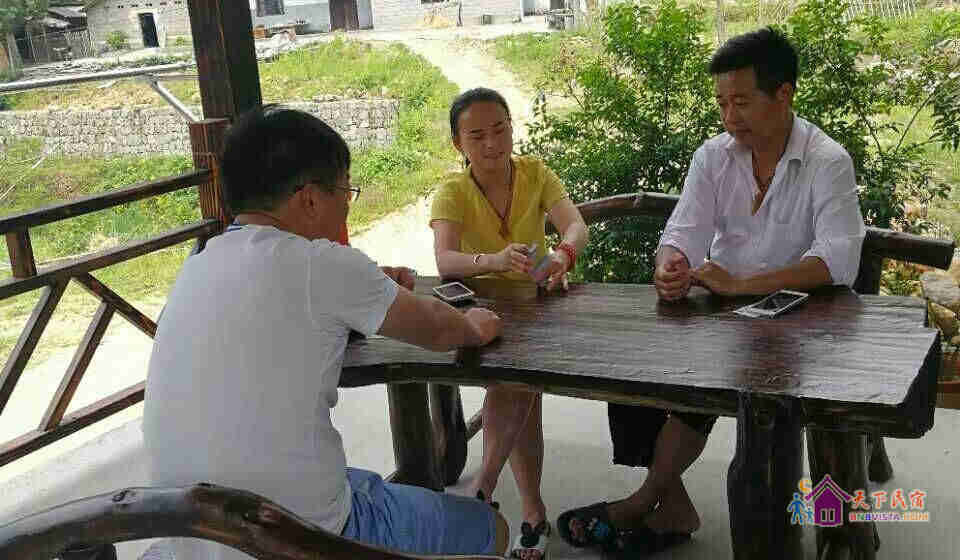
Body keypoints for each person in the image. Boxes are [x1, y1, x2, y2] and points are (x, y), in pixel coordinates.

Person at [142, 105, 509, 560]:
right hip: (297, 539)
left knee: (359, 480)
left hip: (188, 532)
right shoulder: (323, 264)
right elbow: (438, 330)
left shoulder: (197, 266)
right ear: (311, 199)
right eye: (344, 190)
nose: (346, 205)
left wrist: (370, 287)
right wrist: (475, 325)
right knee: (490, 527)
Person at [557, 27, 866, 557]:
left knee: (753, 405)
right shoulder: (714, 157)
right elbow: (682, 232)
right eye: (722, 103)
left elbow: (838, 261)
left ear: (784, 94)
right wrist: (670, 265)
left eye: (741, 102)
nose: (729, 117)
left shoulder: (827, 160)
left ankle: (645, 503)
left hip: (805, 327)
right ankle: (669, 503)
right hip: (725, 316)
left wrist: (742, 284)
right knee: (632, 369)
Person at [430, 87, 589, 560]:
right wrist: (494, 259)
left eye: (500, 129)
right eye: (477, 135)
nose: (492, 143)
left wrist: (563, 255)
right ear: (458, 143)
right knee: (519, 389)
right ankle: (517, 504)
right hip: (480, 311)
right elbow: (444, 260)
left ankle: (495, 497)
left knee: (520, 393)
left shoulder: (535, 172)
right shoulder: (453, 190)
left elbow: (576, 225)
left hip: (536, 303)